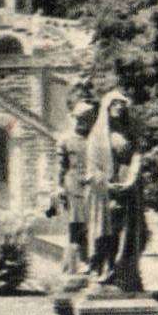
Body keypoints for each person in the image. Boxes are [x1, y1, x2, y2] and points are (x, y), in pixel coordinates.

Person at [86, 90, 146, 294]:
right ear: (107, 108)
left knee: (127, 231)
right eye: (115, 106)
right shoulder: (97, 136)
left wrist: (131, 179)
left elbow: (137, 155)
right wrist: (105, 184)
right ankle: (106, 269)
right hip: (105, 190)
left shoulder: (129, 133)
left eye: (122, 106)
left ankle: (126, 273)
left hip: (128, 187)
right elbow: (92, 167)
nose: (119, 109)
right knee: (106, 231)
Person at [54, 99, 96, 278]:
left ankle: (89, 263)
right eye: (79, 118)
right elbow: (60, 166)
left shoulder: (95, 139)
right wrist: (59, 187)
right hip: (73, 186)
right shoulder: (65, 139)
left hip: (93, 186)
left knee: (92, 225)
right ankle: (76, 265)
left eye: (86, 119)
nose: (82, 122)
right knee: (76, 226)